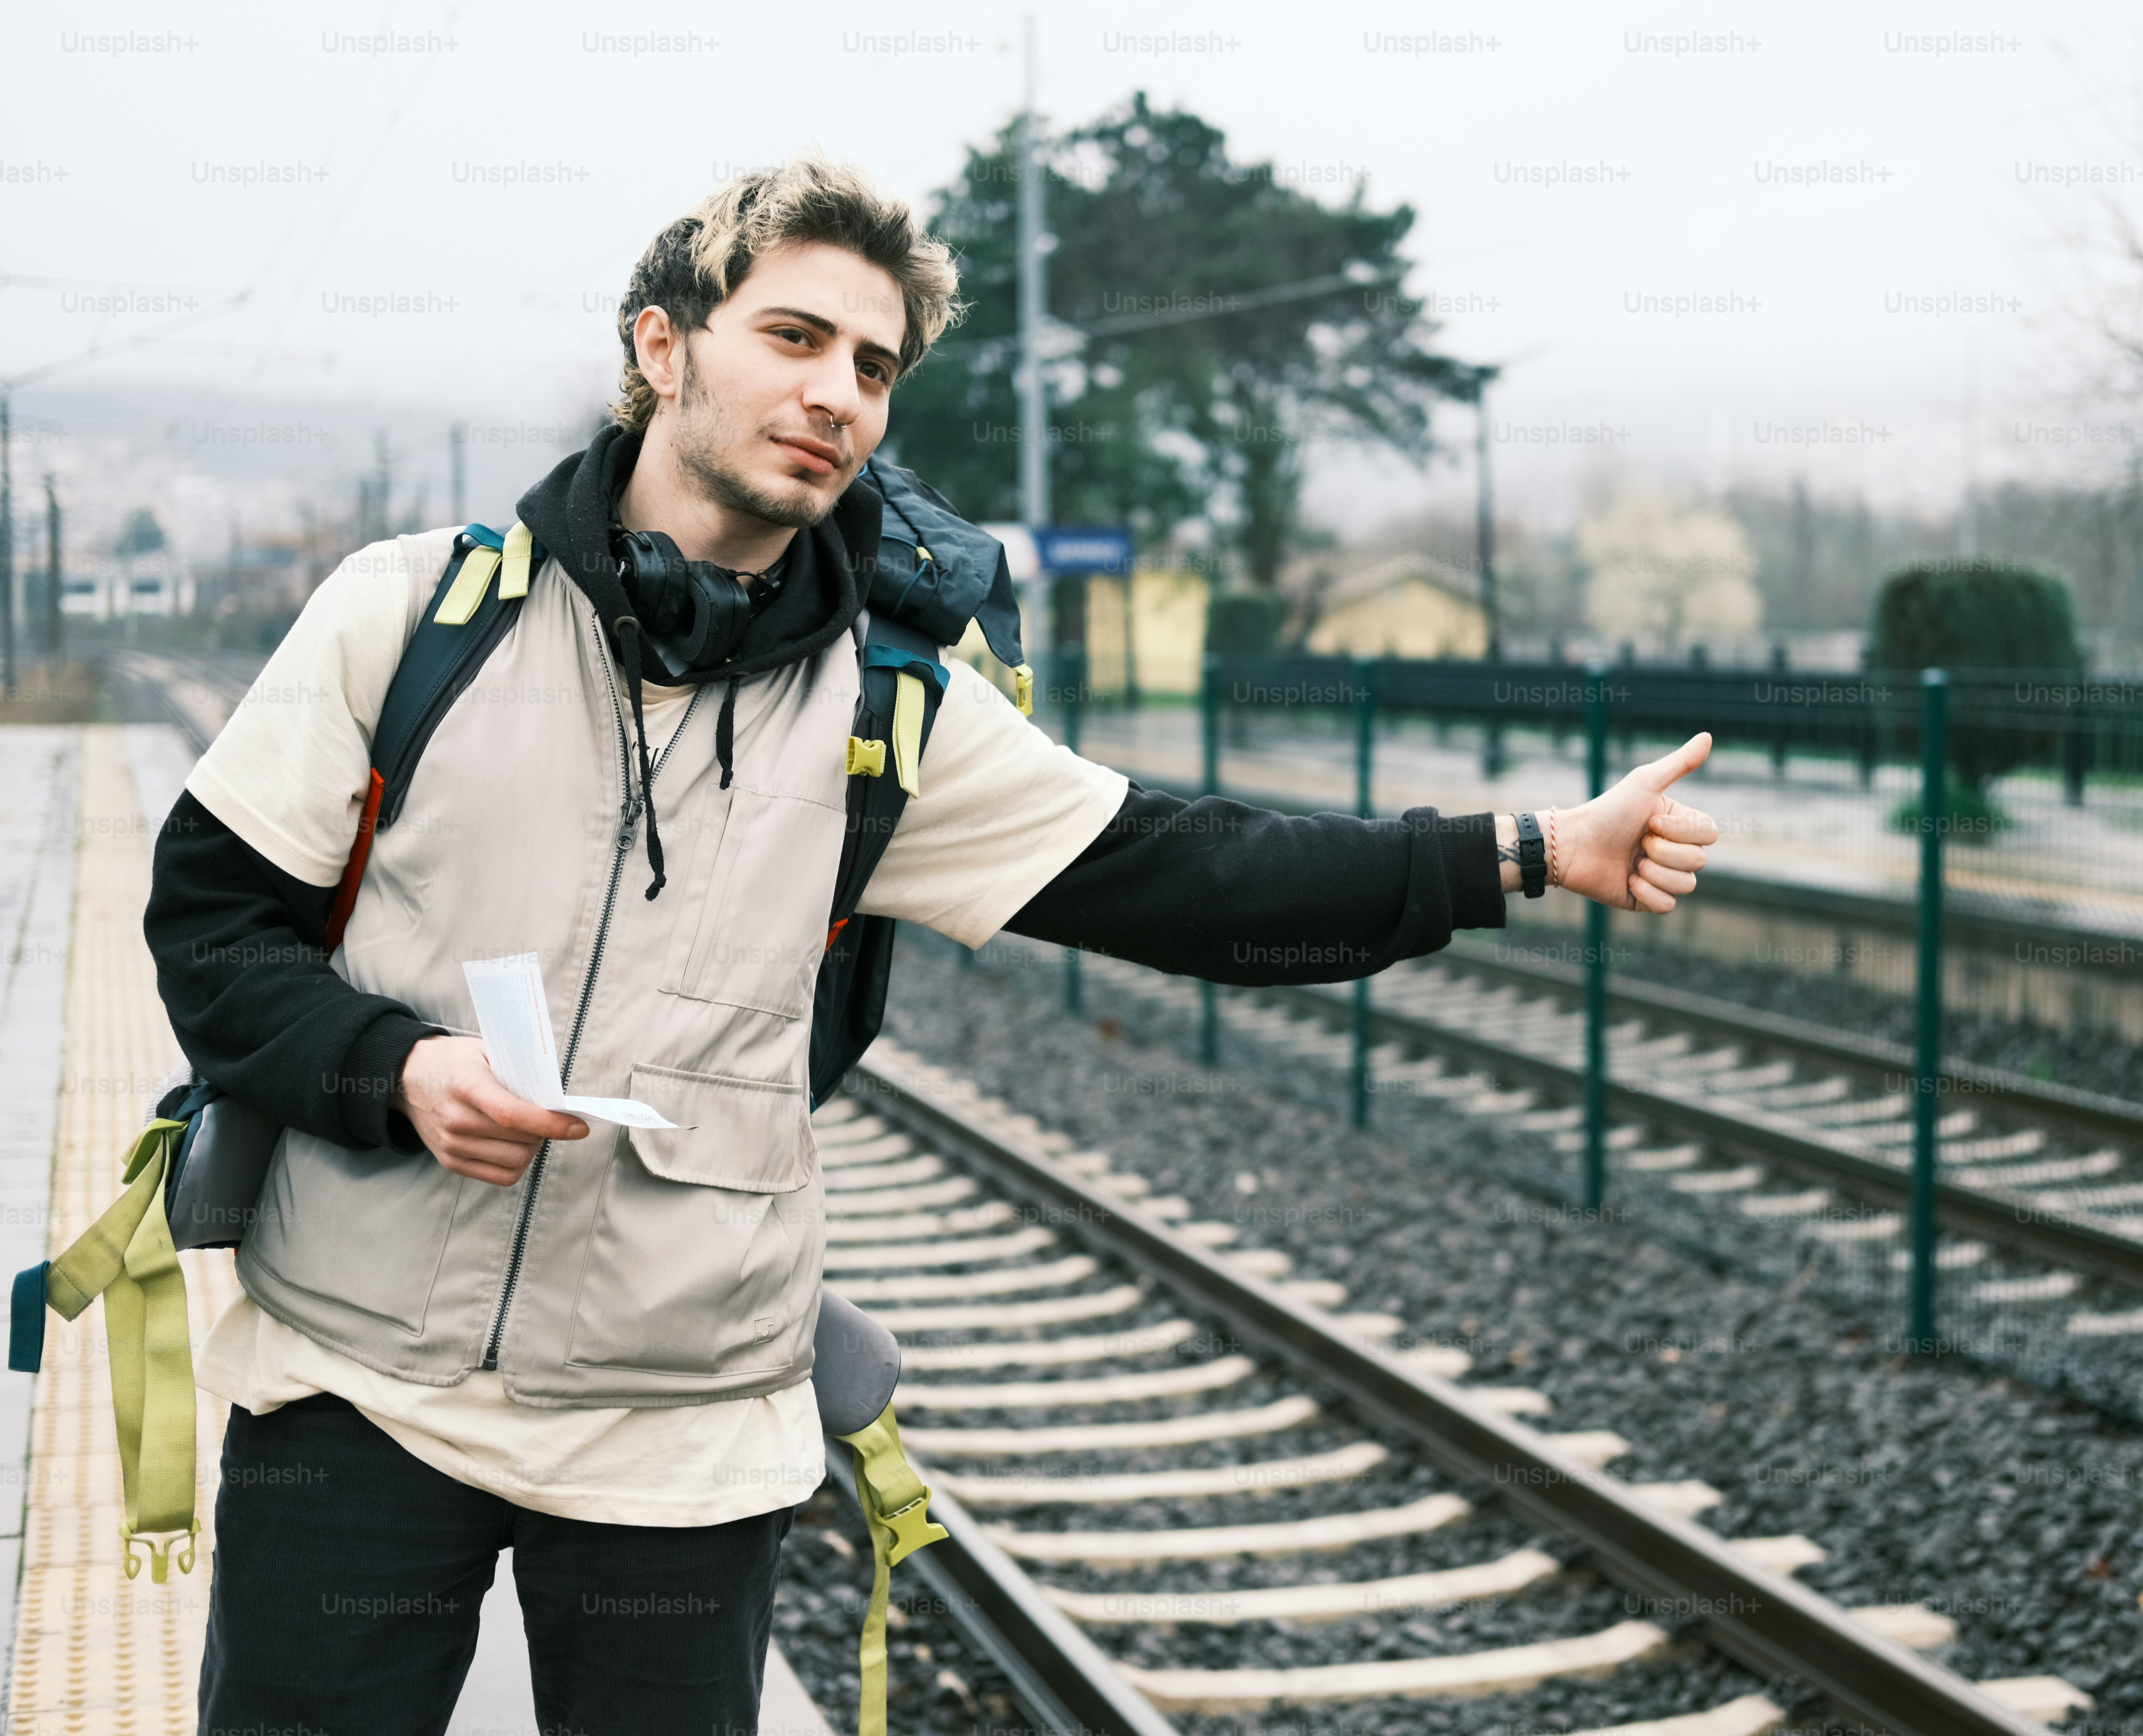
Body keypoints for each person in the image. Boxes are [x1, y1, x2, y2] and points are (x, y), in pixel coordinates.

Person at [143, 153, 1719, 1734]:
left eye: (874, 367)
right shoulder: (413, 615)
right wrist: (393, 1070)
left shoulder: (894, 717)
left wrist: (1524, 851)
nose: (839, 393)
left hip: (684, 1433)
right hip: (351, 1386)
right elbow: (214, 927)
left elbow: (1190, 875)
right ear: (661, 347)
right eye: (795, 338)